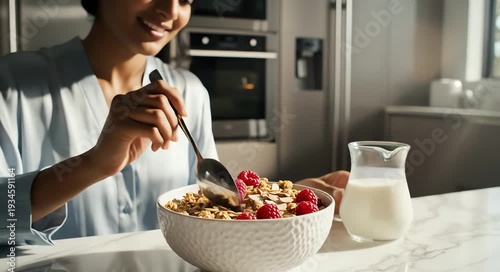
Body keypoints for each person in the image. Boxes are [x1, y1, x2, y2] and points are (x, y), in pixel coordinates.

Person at [0, 0, 349, 246]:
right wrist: (92, 165)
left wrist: (281, 202)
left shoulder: (190, 92)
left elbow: (209, 206)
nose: (170, 11)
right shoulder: (13, 83)